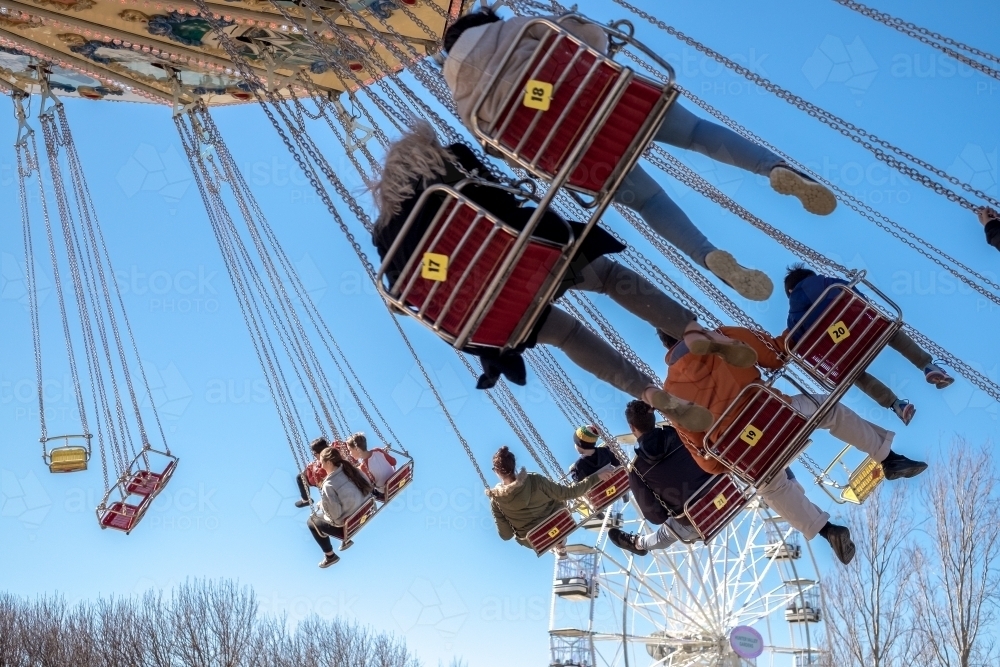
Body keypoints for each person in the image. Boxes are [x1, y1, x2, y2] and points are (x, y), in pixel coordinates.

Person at [371, 121, 760, 432]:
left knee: (566, 335)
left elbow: (403, 298)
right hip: (525, 259)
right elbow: (503, 197)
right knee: (606, 277)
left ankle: (646, 391)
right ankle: (693, 331)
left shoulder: (385, 235)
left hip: (486, 317)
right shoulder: (451, 161)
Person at [440, 10, 839, 301]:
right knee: (698, 133)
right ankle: (774, 169)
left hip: (581, 156)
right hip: (613, 102)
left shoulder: (466, 106)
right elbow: (591, 37)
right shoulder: (518, 28)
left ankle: (709, 255)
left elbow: (510, 156)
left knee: (650, 202)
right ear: (483, 21)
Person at [607, 401, 856, 563]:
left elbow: (655, 516)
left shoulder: (637, 470)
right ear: (654, 416)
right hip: (731, 491)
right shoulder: (683, 432)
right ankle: (794, 488)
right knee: (760, 463)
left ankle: (638, 543)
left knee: (665, 532)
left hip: (697, 519)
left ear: (632, 427)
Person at [783, 263, 954, 425]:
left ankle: (896, 405)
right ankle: (927, 365)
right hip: (867, 331)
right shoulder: (830, 283)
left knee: (853, 373)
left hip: (844, 352)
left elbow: (802, 346)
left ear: (790, 291)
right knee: (890, 333)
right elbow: (860, 299)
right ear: (810, 276)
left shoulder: (793, 320)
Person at [487, 445, 615, 553]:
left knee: (544, 534)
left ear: (496, 471)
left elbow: (506, 535)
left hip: (535, 540)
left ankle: (557, 545)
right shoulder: (534, 480)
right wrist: (596, 477)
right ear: (514, 464)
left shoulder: (496, 501)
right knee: (563, 498)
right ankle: (559, 542)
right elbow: (569, 493)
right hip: (559, 523)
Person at [307, 447, 373, 568]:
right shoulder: (353, 470)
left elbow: (335, 515)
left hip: (349, 524)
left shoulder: (328, 485)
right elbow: (368, 486)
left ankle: (330, 556)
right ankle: (343, 543)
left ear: (328, 462)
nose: (321, 465)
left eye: (321, 462)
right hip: (366, 510)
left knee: (312, 521)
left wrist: (323, 505)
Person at [346, 431, 397, 500]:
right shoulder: (378, 450)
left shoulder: (364, 467)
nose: (350, 454)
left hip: (385, 491)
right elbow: (394, 462)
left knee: (363, 487)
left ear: (356, 449)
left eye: (350, 450)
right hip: (396, 479)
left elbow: (369, 484)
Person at [295, 436, 331, 508]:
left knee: (300, 477)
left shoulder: (321, 465)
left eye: (314, 453)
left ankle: (306, 499)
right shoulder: (334, 453)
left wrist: (310, 469)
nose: (314, 455)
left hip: (326, 481)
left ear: (318, 453)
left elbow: (315, 480)